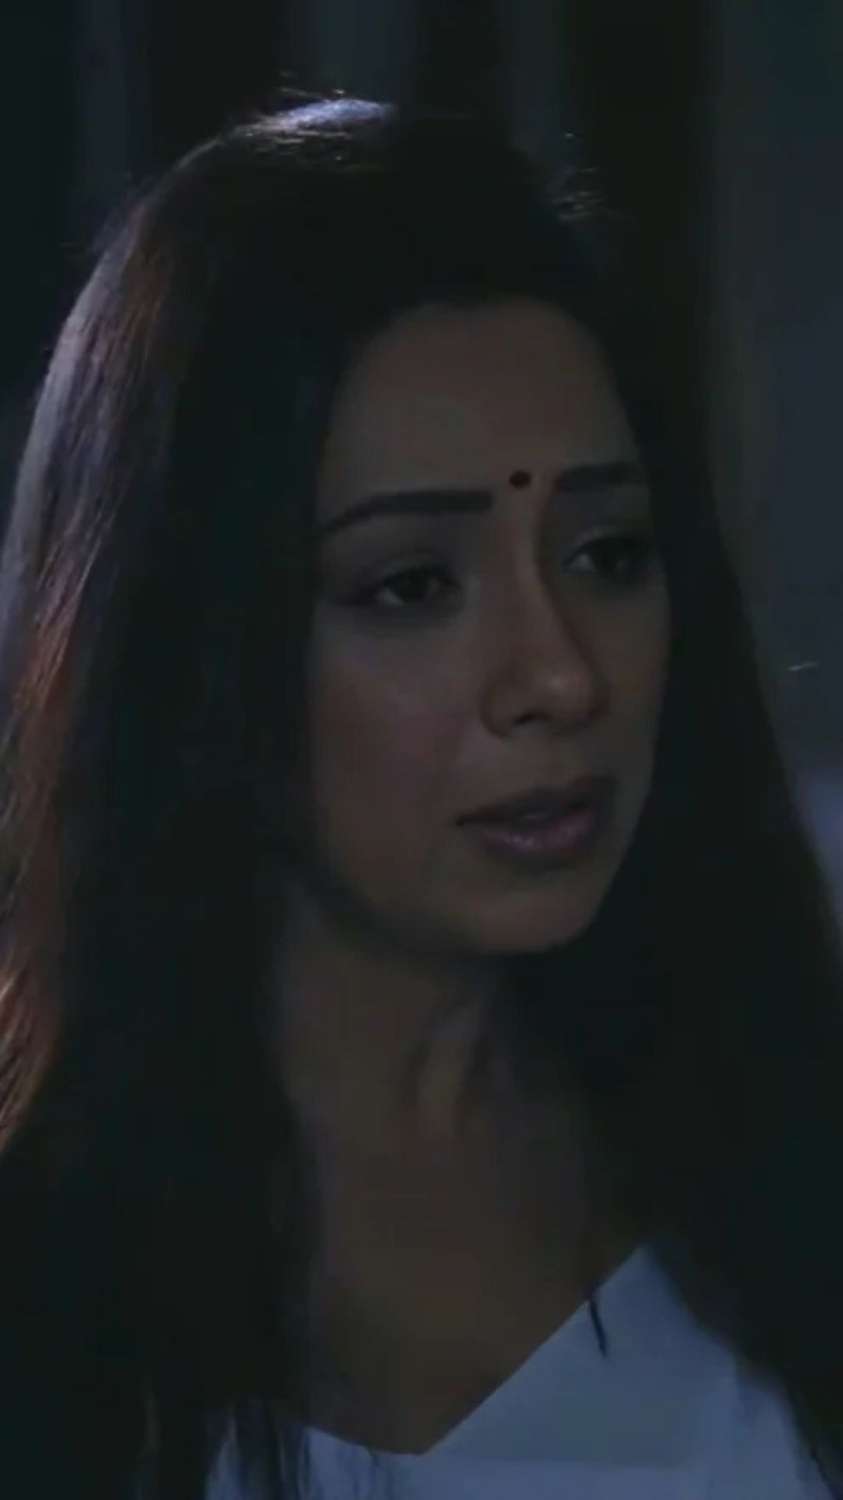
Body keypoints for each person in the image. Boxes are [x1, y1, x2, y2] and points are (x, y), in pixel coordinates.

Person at [0, 95, 841, 1500]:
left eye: (606, 553)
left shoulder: (790, 1175)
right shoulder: (45, 1277)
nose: (560, 675)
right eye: (410, 585)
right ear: (188, 641)